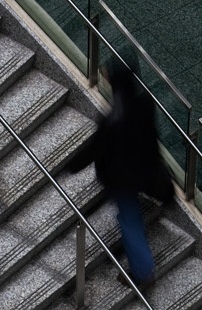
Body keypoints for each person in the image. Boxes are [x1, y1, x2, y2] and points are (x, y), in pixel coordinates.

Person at [64, 60, 169, 289]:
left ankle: (143, 272)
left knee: (129, 219)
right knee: (131, 215)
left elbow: (94, 149)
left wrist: (70, 167)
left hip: (123, 179)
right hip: (145, 170)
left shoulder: (111, 121)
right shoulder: (144, 105)